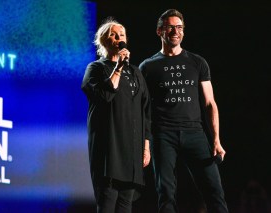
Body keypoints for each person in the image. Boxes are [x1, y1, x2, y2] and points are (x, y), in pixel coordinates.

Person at [139, 9, 229, 213]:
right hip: (162, 135)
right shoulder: (147, 67)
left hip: (194, 134)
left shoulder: (197, 62)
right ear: (160, 31)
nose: (175, 32)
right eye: (170, 27)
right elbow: (143, 109)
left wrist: (216, 140)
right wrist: (145, 143)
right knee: (166, 193)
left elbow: (209, 104)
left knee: (214, 191)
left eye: (179, 28)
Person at [81, 18, 151, 213]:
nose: (119, 37)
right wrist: (118, 66)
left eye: (122, 34)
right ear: (104, 40)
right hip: (109, 149)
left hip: (132, 150)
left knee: (125, 206)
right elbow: (104, 95)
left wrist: (146, 146)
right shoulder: (95, 69)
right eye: (113, 34)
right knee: (107, 203)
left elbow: (145, 110)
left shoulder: (136, 73)